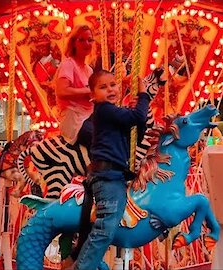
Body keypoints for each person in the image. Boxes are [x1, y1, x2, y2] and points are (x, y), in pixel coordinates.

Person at [73, 69, 150, 270]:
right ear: (93, 96)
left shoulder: (114, 116)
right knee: (104, 228)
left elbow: (136, 132)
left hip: (114, 176)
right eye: (103, 87)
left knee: (107, 227)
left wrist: (136, 113)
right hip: (107, 177)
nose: (110, 89)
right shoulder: (105, 110)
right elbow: (136, 117)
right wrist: (143, 95)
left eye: (113, 85)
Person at [54, 24, 95, 146]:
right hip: (73, 118)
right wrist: (87, 91)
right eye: (81, 40)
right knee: (97, 139)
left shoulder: (89, 70)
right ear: (73, 43)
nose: (86, 43)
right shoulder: (68, 64)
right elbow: (62, 91)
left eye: (89, 40)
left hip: (88, 116)